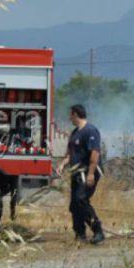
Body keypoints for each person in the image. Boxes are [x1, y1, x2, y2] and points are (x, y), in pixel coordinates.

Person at [57, 104, 105, 244]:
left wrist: (91, 174)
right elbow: (71, 154)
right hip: (76, 173)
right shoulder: (74, 133)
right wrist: (62, 164)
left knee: (80, 200)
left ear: (76, 114)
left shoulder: (90, 131)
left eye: (70, 114)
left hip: (88, 172)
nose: (69, 117)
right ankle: (80, 234)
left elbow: (95, 153)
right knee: (74, 205)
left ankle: (98, 231)